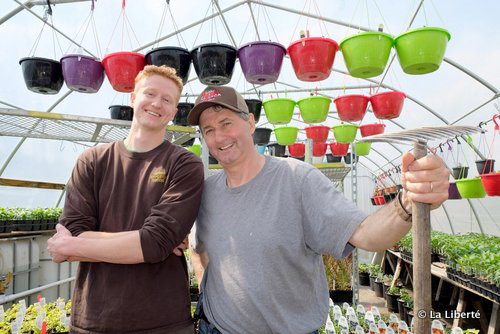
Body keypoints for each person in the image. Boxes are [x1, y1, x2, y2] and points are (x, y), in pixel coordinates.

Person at [187, 86, 450, 334]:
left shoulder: (296, 179)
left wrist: (407, 203)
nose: (219, 137)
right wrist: (207, 291)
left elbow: (366, 234)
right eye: (208, 130)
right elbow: (198, 249)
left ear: (250, 123)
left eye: (226, 124)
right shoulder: (206, 192)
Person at [47, 65, 204, 334]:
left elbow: (155, 242)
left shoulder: (184, 163)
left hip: (163, 322)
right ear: (133, 97)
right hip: (94, 320)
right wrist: (143, 242)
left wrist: (76, 245)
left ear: (174, 112)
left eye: (167, 100)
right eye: (150, 93)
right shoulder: (93, 160)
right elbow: (73, 232)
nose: (157, 103)